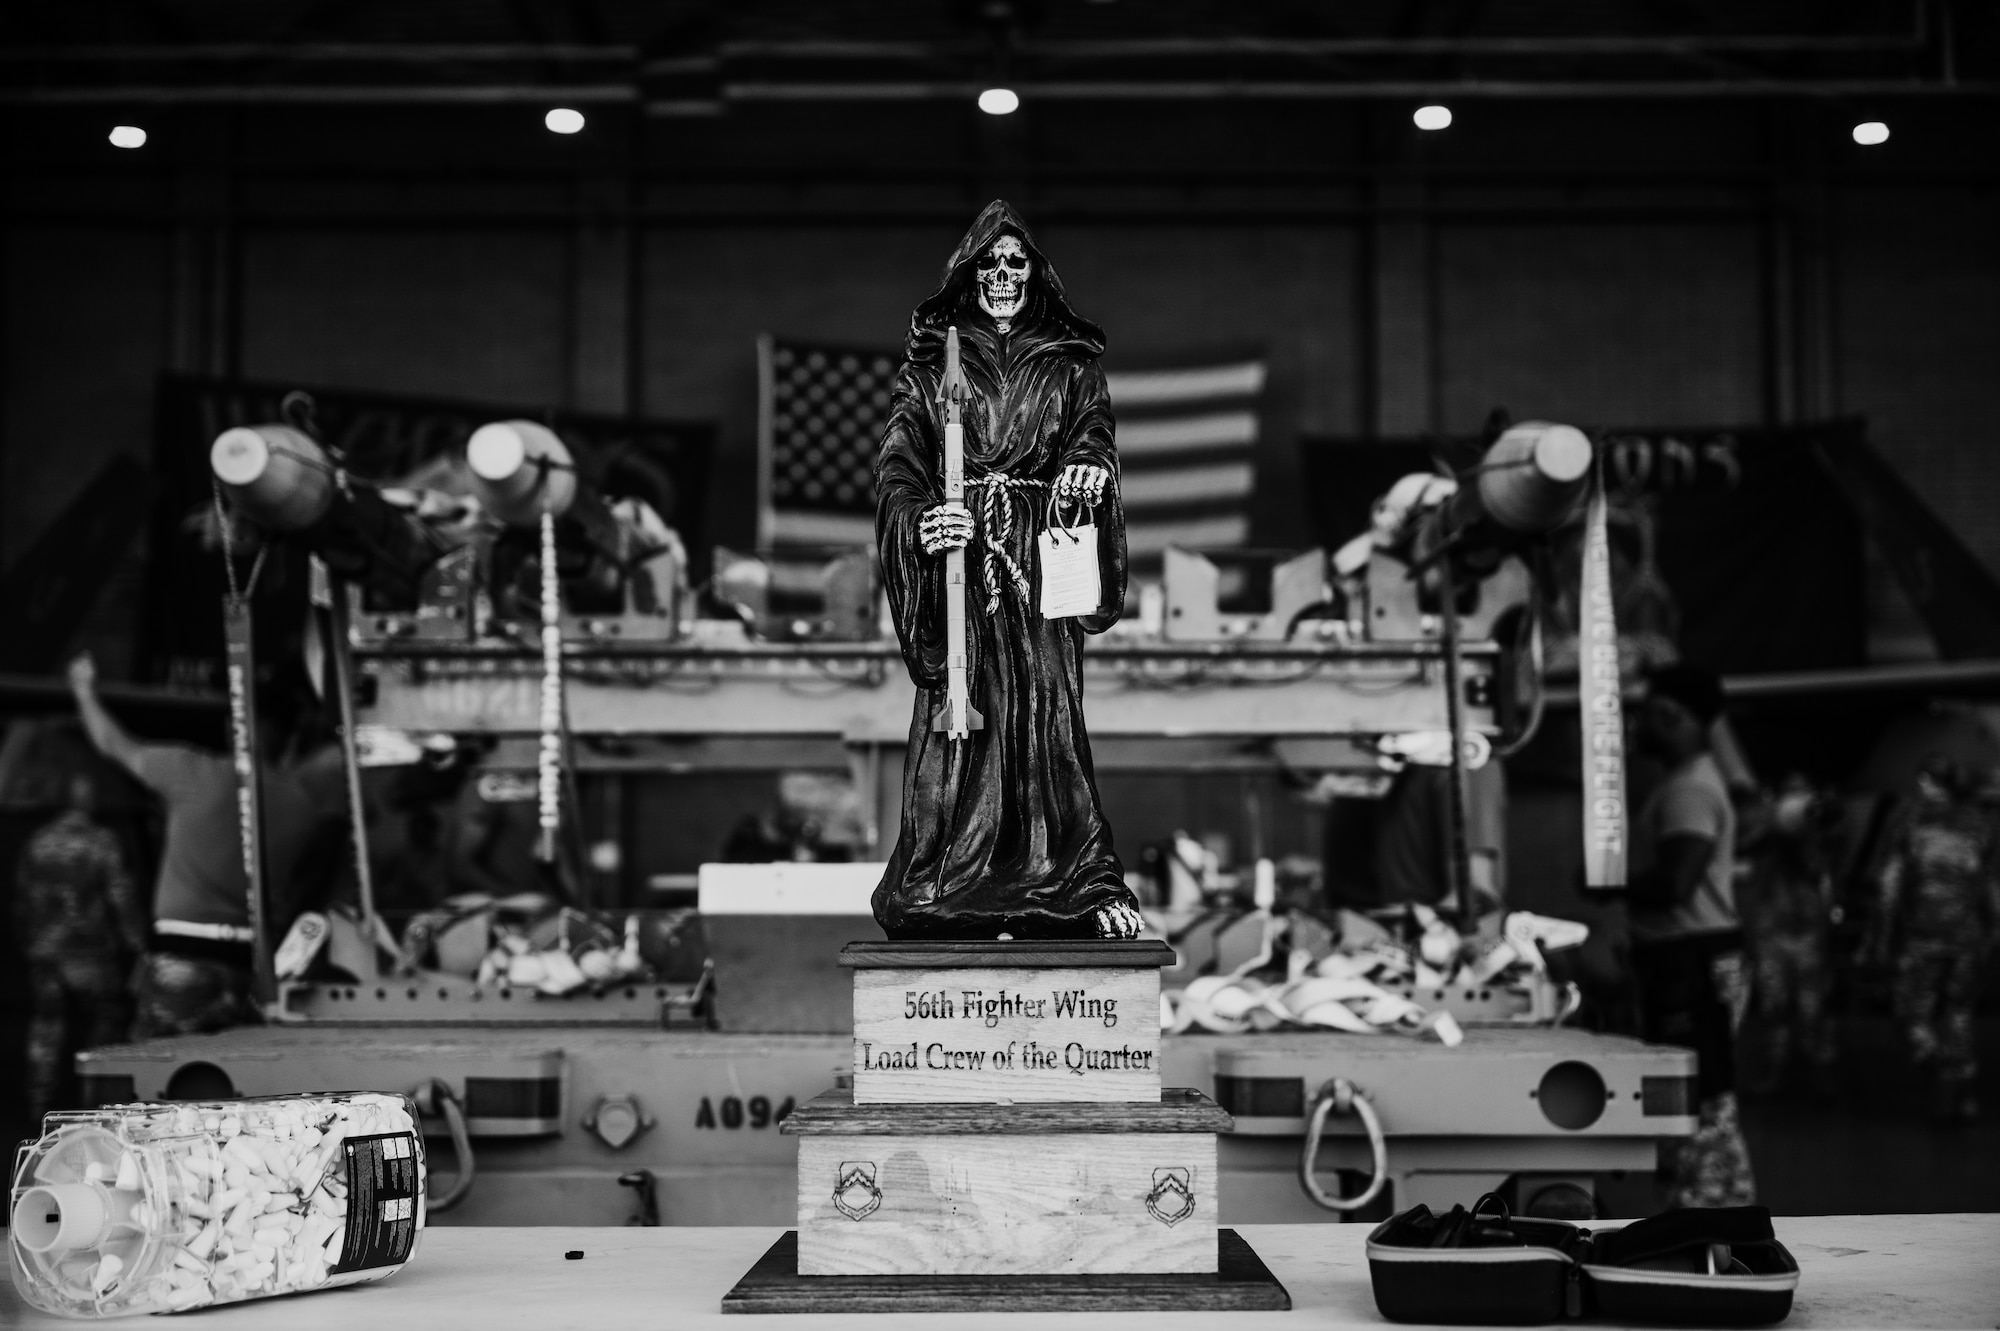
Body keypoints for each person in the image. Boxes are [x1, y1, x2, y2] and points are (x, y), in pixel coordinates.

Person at [872, 200, 1144, 940]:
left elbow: (1094, 433)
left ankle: (1074, 876)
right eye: (989, 262)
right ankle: (939, 875)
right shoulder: (932, 365)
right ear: (970, 273)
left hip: (1036, 548)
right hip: (962, 561)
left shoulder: (1070, 360)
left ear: (1035, 273)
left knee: (1046, 705)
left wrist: (1088, 465)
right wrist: (926, 520)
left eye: (1015, 262)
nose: (1002, 275)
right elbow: (901, 466)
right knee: (959, 710)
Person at [67, 651, 346, 1036]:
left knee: (158, 1080)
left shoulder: (190, 771)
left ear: (235, 726)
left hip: (182, 960)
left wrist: (83, 689)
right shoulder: (304, 809)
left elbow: (112, 743)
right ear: (288, 734)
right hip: (249, 968)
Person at [1626, 661, 1755, 1207]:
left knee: (1699, 1100)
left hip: (1693, 962)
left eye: (1650, 715)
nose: (1638, 725)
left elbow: (1677, 881)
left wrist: (1608, 884)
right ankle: (1706, 1211)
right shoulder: (1686, 783)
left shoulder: (1688, 792)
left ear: (1674, 717)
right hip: (1687, 959)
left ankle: (1714, 1218)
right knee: (1693, 1098)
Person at [14, 772, 148, 1120]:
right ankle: (95, 1105)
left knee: (47, 1026)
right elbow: (122, 898)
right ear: (90, 800)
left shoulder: (38, 841)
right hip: (90, 954)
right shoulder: (102, 841)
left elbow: (22, 898)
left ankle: (37, 1103)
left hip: (45, 951)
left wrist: (30, 942)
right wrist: (139, 946)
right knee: (103, 1025)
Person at [1874, 755, 1999, 1121]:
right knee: (1958, 1013)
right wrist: (1992, 930)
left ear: (1929, 782)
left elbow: (1889, 889)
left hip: (1922, 936)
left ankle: (1940, 1067)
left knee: (1910, 1014)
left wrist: (1882, 937)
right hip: (1967, 937)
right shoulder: (1981, 825)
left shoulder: (1909, 823)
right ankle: (1963, 1089)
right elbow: (1990, 886)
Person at [1737, 774, 1842, 1099]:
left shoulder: (1821, 832)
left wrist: (1812, 827)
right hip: (1774, 929)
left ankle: (1818, 1075)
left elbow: (1820, 865)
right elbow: (1743, 848)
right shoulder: (1767, 834)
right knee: (1774, 1005)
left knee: (1814, 1007)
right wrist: (1771, 826)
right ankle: (1775, 1072)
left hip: (1808, 929)